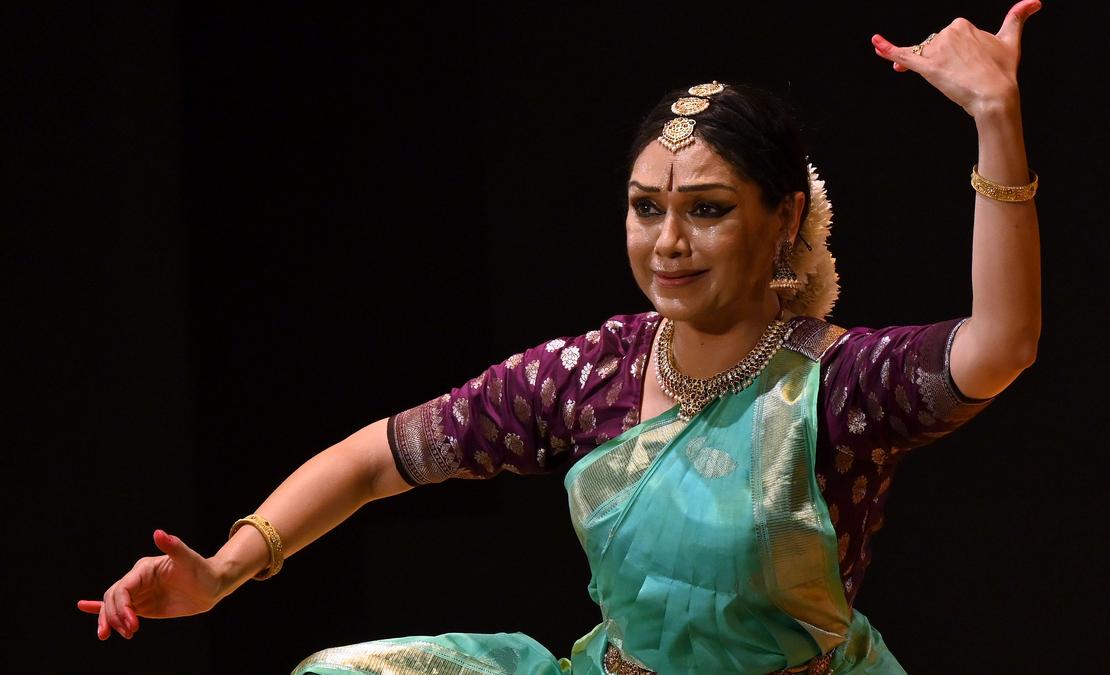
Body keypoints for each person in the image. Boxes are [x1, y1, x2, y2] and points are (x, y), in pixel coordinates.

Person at [79, 3, 1043, 673]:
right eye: (646, 207)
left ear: (784, 216)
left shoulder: (837, 385)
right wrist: (224, 571)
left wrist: (995, 117)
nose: (668, 242)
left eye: (707, 210)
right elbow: (379, 458)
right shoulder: (593, 374)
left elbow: (1000, 344)